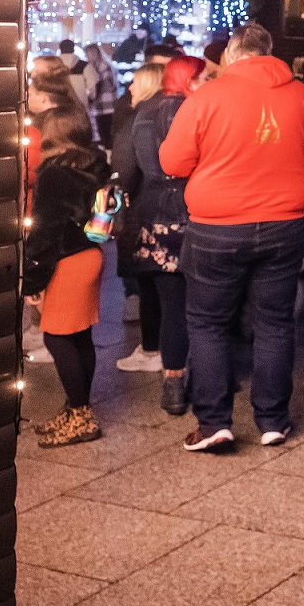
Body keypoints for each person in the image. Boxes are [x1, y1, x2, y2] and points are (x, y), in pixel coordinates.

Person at [160, 22, 304, 453]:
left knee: (208, 322)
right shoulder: (301, 94)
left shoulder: (207, 97)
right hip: (285, 223)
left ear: (233, 55)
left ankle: (214, 422)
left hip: (217, 225)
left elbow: (173, 161)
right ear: (270, 53)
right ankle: (273, 421)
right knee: (275, 323)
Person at [114, 58, 203, 411]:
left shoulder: (142, 115)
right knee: (208, 305)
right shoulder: (200, 110)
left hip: (155, 219)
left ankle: (174, 383)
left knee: (172, 305)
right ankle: (215, 375)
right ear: (190, 79)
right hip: (201, 215)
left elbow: (124, 174)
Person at [23, 104, 110, 448]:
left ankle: (81, 415)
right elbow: (103, 222)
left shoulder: (54, 175)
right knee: (80, 336)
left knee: (57, 338)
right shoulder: (98, 165)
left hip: (67, 262)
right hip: (91, 256)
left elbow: (45, 233)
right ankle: (75, 408)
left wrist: (31, 280)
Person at [81, 42, 119, 143]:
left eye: (86, 55)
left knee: (104, 134)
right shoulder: (105, 65)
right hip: (108, 105)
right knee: (106, 134)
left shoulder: (101, 67)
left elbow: (98, 87)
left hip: (105, 106)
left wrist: (90, 98)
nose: (86, 58)